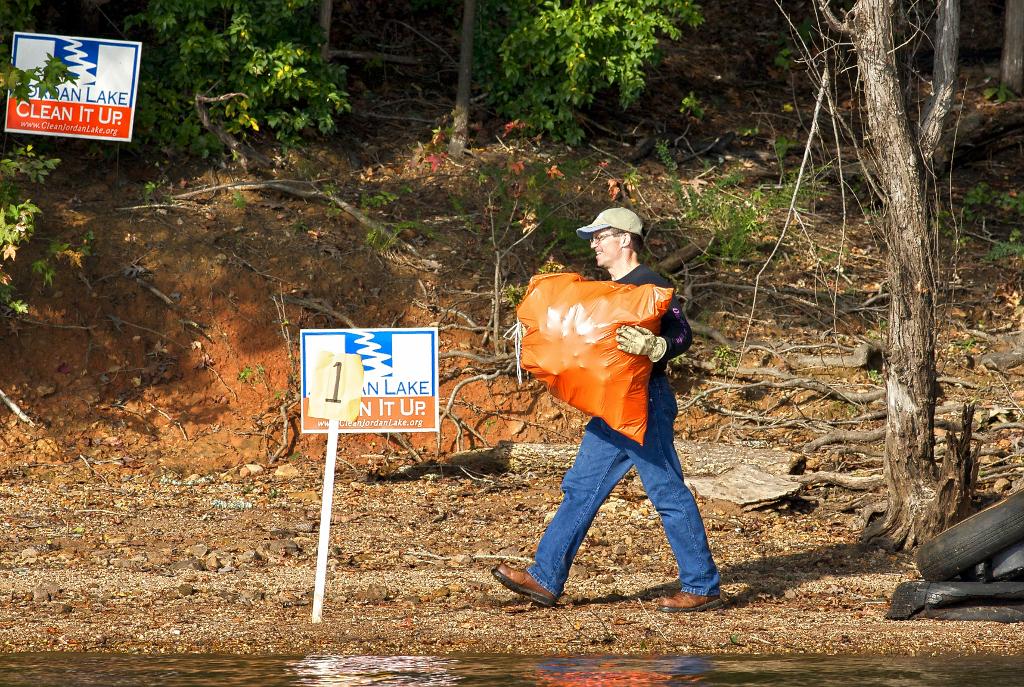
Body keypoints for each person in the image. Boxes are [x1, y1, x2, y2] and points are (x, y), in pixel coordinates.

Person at [492, 207, 722, 612]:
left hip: (644, 402)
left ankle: (701, 586)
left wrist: (659, 347)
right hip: (611, 406)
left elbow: (682, 332)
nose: (594, 244)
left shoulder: (651, 284)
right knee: (581, 488)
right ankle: (545, 578)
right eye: (594, 238)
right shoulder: (604, 292)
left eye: (600, 236)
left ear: (625, 240)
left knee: (666, 490)